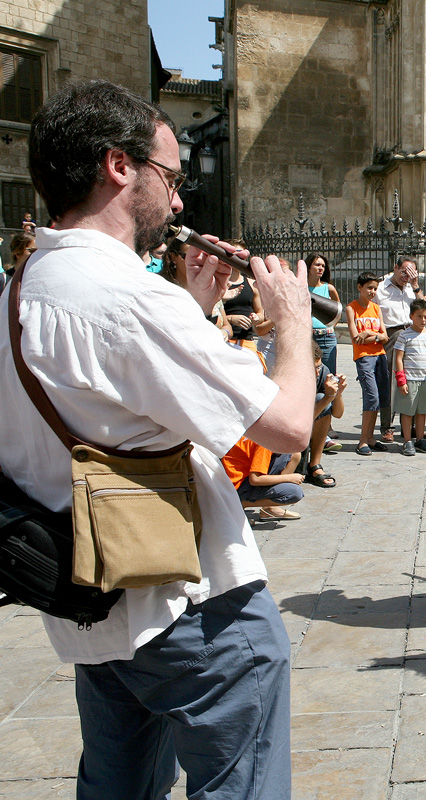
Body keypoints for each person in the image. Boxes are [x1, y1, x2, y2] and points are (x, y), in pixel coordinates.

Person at [0, 78, 313, 798]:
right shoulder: (125, 297)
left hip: (95, 603)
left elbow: (115, 411)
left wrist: (194, 310)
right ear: (119, 166)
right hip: (191, 609)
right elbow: (290, 427)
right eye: (169, 177)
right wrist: (291, 321)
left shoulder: (22, 287)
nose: (178, 202)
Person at [376, 256, 424, 443]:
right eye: (403, 271)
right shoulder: (381, 288)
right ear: (395, 268)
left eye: (410, 272)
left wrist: (416, 285)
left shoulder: (411, 289)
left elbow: (424, 307)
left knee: (412, 380)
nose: (406, 276)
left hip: (412, 334)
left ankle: (410, 425)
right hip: (392, 334)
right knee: (391, 381)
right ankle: (387, 426)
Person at [346, 272, 390, 455]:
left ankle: (370, 437)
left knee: (379, 398)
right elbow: (356, 338)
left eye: (375, 288)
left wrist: (369, 335)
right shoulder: (352, 308)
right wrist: (374, 336)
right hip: (364, 357)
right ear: (359, 287)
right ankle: (362, 440)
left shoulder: (376, 308)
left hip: (380, 355)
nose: (372, 292)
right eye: (369, 288)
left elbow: (385, 337)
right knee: (371, 397)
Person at [394, 299, 426, 456]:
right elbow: (398, 358)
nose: (423, 320)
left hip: (425, 379)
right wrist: (401, 380)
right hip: (410, 379)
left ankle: (420, 439)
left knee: (422, 411)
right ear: (412, 316)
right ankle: (407, 441)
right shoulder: (404, 336)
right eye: (419, 316)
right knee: (407, 411)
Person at [223, 436, 304, 521]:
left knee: (294, 454)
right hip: (236, 487)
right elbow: (255, 479)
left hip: (237, 480)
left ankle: (269, 508)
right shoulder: (265, 443)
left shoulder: (261, 434)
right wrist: (288, 478)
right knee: (294, 492)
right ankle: (238, 505)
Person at [306, 341, 346, 488]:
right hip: (287, 427)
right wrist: (328, 397)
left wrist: (337, 394)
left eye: (319, 367)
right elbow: (302, 421)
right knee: (321, 400)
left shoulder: (323, 372)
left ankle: (314, 464)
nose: (317, 372)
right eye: (313, 368)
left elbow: (338, 414)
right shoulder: (291, 376)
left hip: (308, 420)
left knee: (321, 399)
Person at [307, 252, 340, 376]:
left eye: (323, 266)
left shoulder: (329, 288)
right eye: (317, 265)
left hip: (326, 338)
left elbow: (338, 310)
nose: (321, 268)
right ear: (309, 267)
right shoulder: (301, 287)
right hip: (307, 337)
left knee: (329, 376)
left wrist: (331, 326)